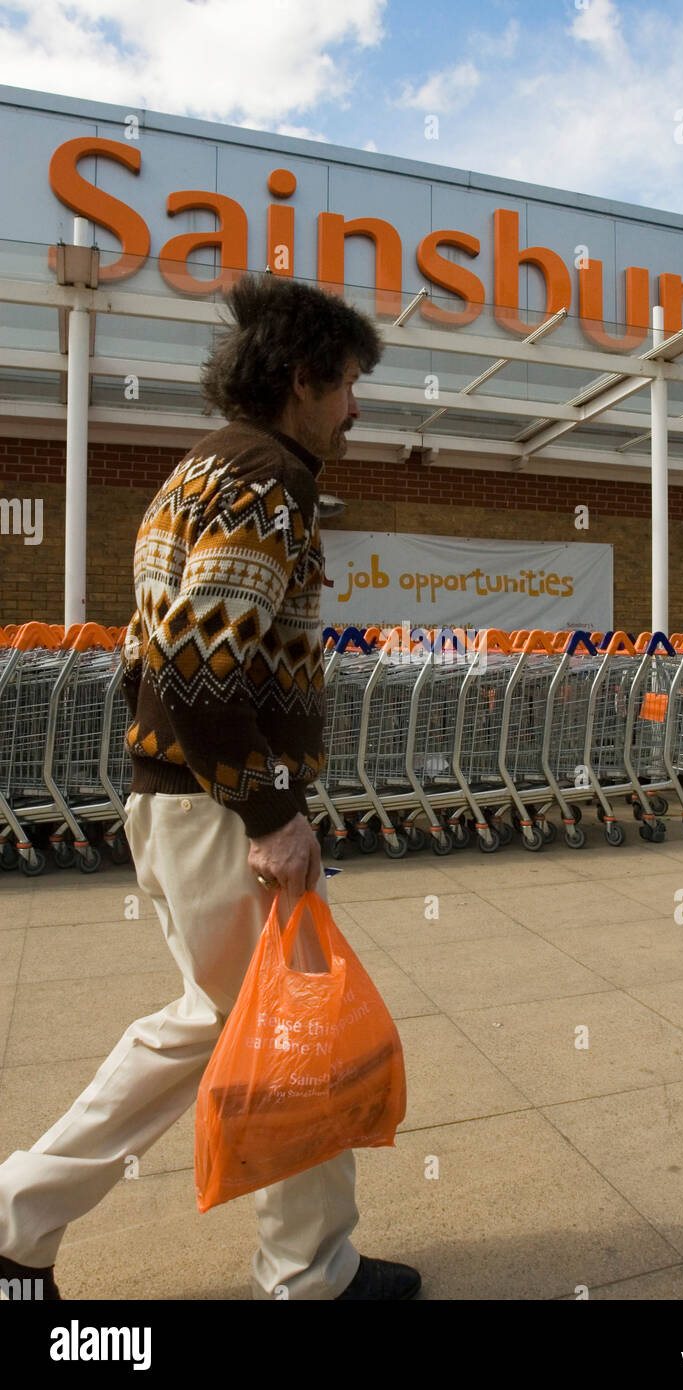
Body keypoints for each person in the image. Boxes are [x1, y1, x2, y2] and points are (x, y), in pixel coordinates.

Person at [0, 273, 421, 1302]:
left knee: (234, 1021)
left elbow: (172, 658)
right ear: (301, 379)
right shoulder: (267, 475)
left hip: (187, 798)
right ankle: (306, 1274)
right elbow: (196, 666)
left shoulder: (200, 468)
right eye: (350, 384)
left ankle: (25, 1222)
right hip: (221, 804)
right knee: (288, 1033)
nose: (357, 408)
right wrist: (272, 814)